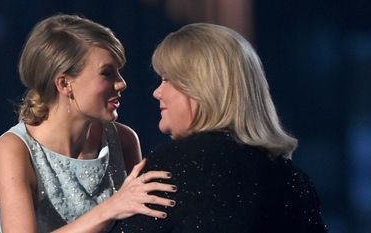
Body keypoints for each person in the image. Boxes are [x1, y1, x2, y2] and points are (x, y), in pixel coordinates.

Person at [110, 23, 328, 233]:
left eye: (168, 79)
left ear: (201, 88)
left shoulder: (172, 166)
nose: (157, 92)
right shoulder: (294, 180)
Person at [0, 14, 177, 233]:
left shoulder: (124, 140)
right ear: (64, 84)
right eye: (107, 73)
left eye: (119, 72)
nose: (122, 84)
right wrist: (111, 208)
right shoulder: (15, 149)